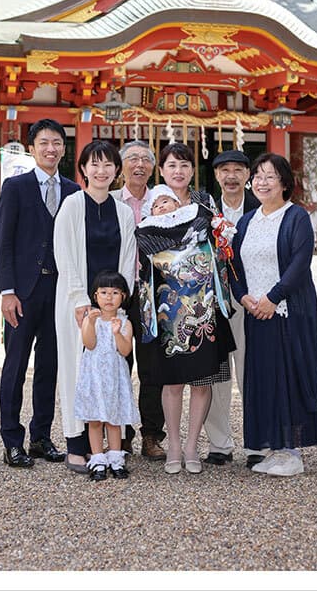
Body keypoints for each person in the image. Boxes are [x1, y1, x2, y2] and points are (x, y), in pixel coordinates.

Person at [229, 153, 317, 477]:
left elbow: (300, 262)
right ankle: (274, 445)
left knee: (290, 375)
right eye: (257, 175)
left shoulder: (295, 216)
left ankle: (293, 450)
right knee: (263, 379)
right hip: (256, 312)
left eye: (270, 176)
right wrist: (243, 296)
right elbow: (234, 265)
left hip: (287, 312)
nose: (262, 181)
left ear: (284, 182)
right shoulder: (246, 221)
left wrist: (273, 297)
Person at [135, 184, 236, 475]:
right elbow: (145, 278)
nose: (163, 207)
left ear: (179, 204)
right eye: (157, 204)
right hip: (169, 321)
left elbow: (217, 255)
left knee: (202, 383)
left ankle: (192, 445)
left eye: (168, 201)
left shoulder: (200, 221)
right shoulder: (146, 233)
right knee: (172, 385)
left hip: (203, 313)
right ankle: (175, 446)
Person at [0, 119, 80, 468]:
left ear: (64, 147)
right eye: (44, 142)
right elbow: (4, 242)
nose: (51, 148)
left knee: (50, 366)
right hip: (24, 293)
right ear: (32, 148)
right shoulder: (15, 187)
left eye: (57, 142)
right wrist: (7, 292)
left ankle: (41, 437)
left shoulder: (75, 190)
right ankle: (11, 441)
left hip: (59, 290)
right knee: (15, 366)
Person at [53, 140, 137, 474]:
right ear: (83, 169)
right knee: (79, 371)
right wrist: (80, 301)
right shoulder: (72, 205)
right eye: (94, 164)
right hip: (80, 306)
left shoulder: (124, 212)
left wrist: (118, 302)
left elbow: (129, 257)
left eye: (108, 165)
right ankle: (78, 446)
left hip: (113, 307)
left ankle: (114, 448)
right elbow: (65, 254)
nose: (101, 171)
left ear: (117, 171)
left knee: (114, 373)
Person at [202, 149, 267, 469]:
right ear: (216, 176)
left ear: (248, 176)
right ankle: (219, 443)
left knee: (252, 372)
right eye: (224, 170)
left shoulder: (262, 210)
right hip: (212, 302)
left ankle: (259, 442)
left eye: (237, 170)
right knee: (217, 375)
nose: (230, 176)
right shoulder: (202, 209)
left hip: (250, 301)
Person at [110, 140, 166, 461]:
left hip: (152, 294)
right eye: (132, 158)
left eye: (146, 159)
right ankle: (121, 435)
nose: (139, 164)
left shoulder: (162, 202)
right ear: (122, 166)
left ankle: (152, 436)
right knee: (118, 365)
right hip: (120, 293)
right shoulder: (113, 201)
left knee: (152, 368)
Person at [73, 270, 140, 481]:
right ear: (95, 296)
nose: (109, 297)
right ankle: (98, 460)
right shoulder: (89, 319)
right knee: (94, 420)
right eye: (103, 292)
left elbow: (125, 350)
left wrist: (117, 333)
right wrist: (90, 323)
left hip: (114, 378)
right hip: (93, 377)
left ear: (123, 297)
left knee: (113, 420)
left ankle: (116, 459)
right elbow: (89, 344)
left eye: (114, 292)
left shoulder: (125, 322)